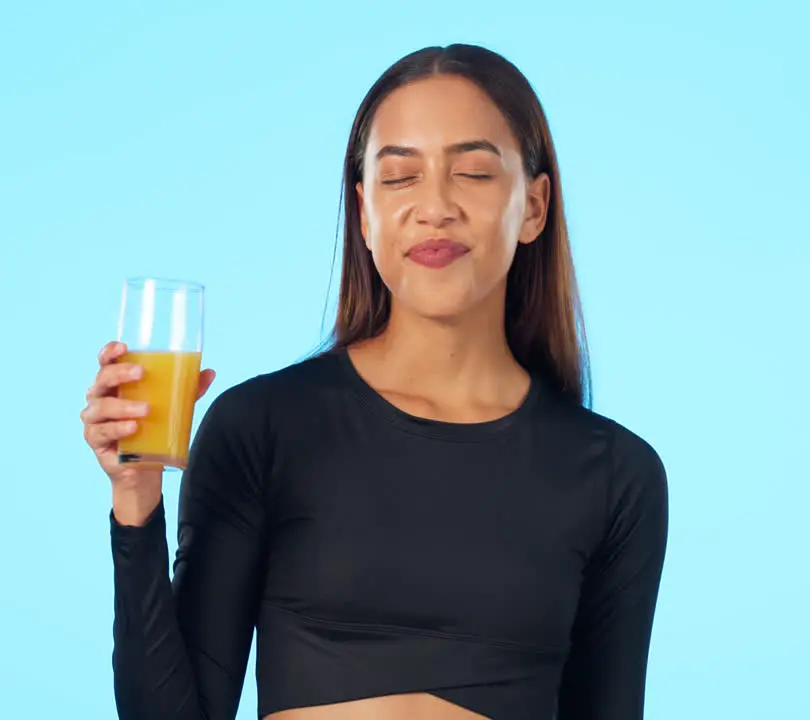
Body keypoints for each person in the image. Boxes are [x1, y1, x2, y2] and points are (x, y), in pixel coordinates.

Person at [81, 43, 669, 720]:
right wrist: (137, 499)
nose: (435, 206)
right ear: (363, 212)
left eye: (474, 172)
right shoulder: (261, 429)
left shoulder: (616, 476)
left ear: (534, 206)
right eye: (399, 179)